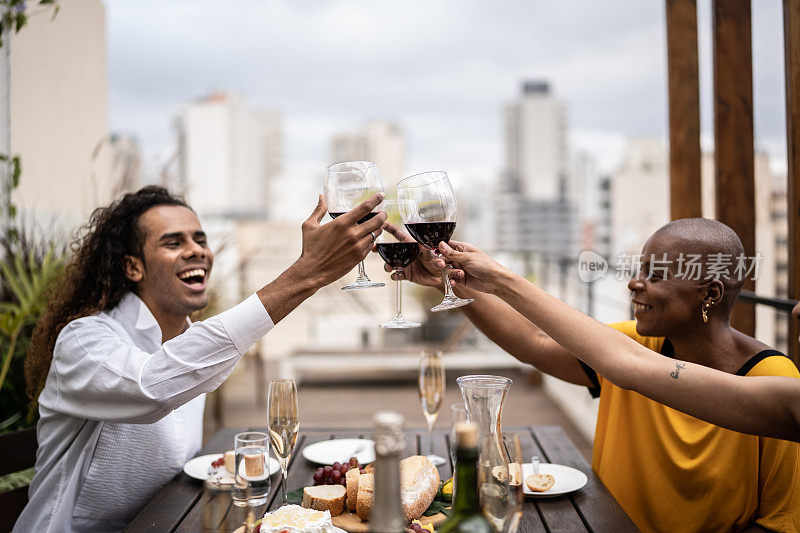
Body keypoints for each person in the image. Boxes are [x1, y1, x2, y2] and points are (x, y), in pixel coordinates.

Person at [384, 218, 800, 533]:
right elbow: (533, 342)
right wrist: (448, 283)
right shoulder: (634, 344)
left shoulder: (772, 376)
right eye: (639, 269)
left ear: (709, 294)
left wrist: (499, 277)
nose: (634, 284)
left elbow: (780, 522)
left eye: (655, 275)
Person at [15, 186, 386, 533]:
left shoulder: (192, 345)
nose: (197, 251)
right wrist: (306, 274)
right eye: (173, 242)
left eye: (200, 239)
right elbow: (152, 386)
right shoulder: (83, 341)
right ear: (133, 267)